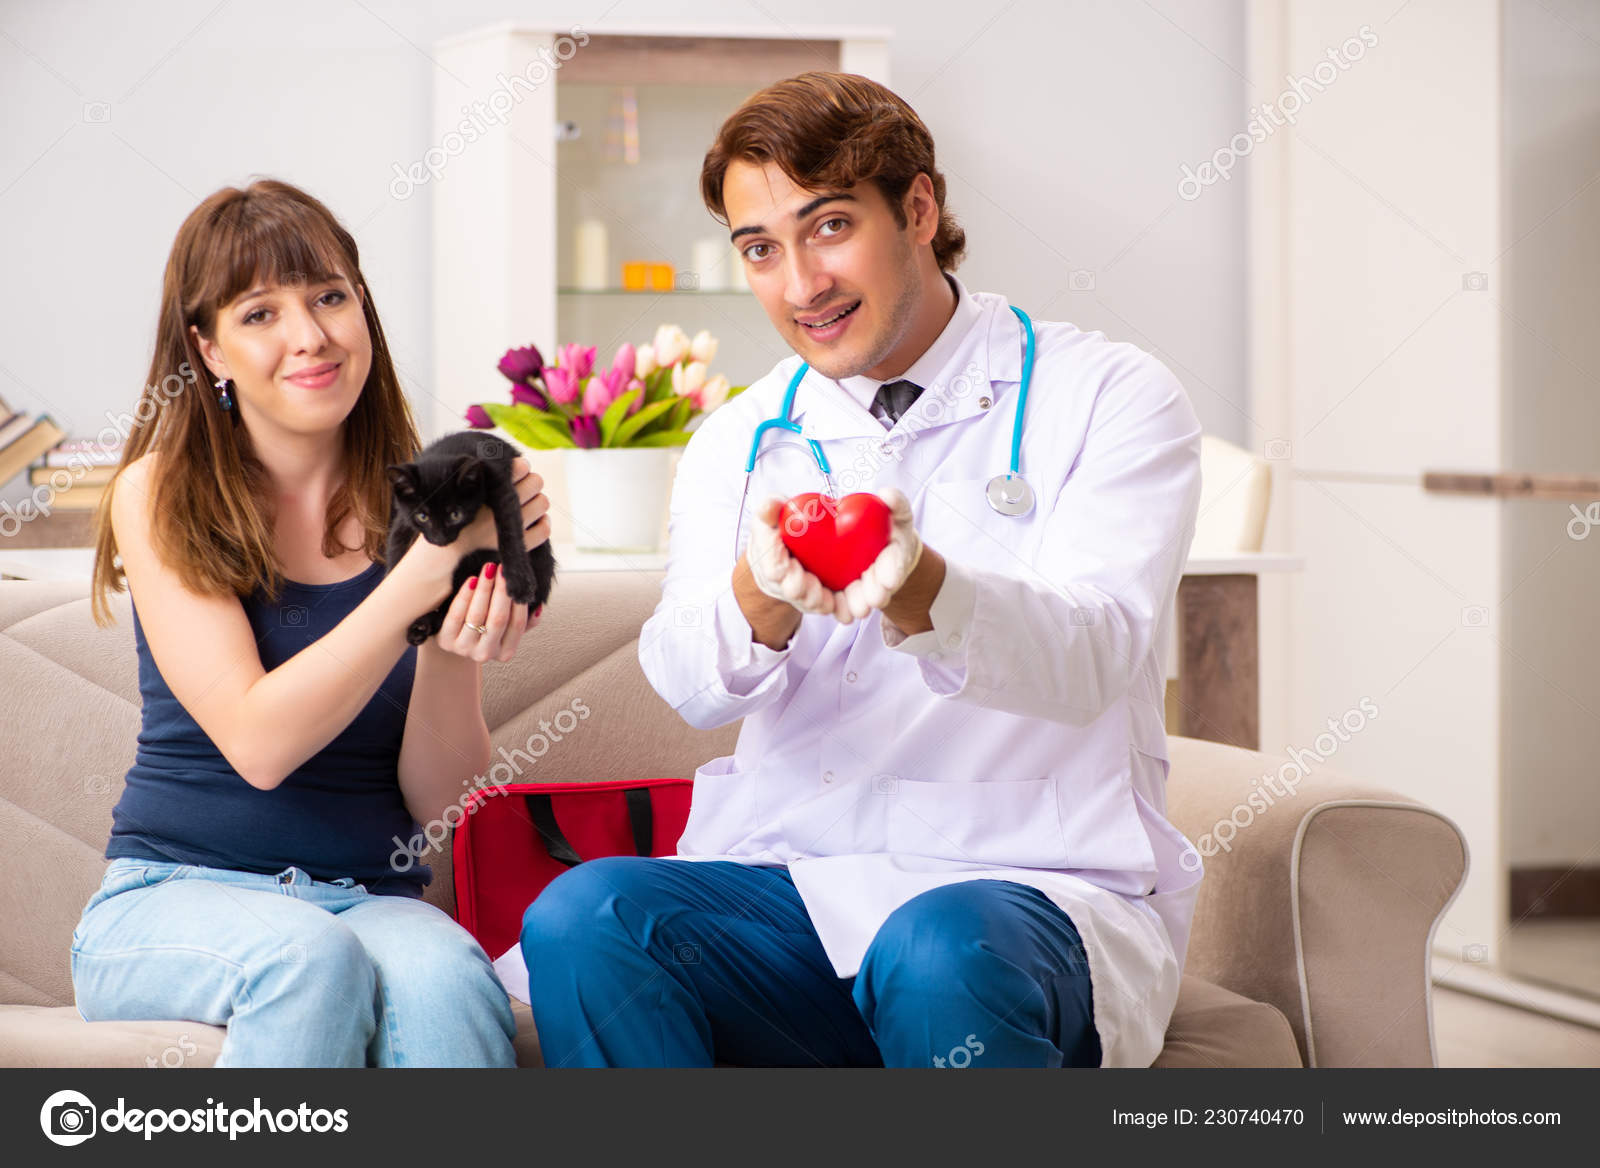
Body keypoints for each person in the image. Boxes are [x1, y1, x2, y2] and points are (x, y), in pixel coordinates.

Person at [521, 72, 1205, 1068]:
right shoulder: (741, 436)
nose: (802, 285)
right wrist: (762, 593)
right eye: (761, 249)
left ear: (918, 210)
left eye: (830, 227)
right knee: (585, 916)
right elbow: (686, 680)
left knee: (934, 953)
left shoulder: (1108, 396)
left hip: (1023, 887)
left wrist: (922, 586)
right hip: (794, 882)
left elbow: (1098, 655)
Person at [73, 178, 551, 1067]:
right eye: (261, 313)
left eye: (330, 297)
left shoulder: (423, 504)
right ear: (207, 348)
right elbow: (259, 744)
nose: (310, 336)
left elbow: (441, 805)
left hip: (370, 896)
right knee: (306, 958)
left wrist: (451, 645)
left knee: (450, 978)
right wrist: (419, 582)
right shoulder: (160, 491)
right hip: (173, 894)